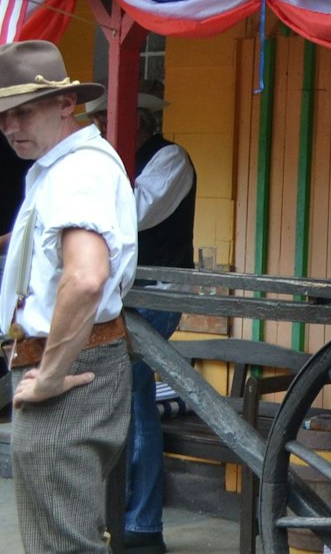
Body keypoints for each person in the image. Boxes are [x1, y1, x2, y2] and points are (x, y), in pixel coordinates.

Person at [0, 40, 137, 552]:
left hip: (69, 369)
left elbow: (85, 277)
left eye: (23, 112)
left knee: (61, 544)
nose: (11, 126)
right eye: (3, 116)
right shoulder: (65, 167)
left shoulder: (78, 171)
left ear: (65, 103)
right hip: (73, 360)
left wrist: (52, 376)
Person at [83, 85, 196, 553]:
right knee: (129, 396)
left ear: (137, 123)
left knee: (129, 394)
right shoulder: (112, 167)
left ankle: (141, 522)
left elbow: (132, 214)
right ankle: (132, 522)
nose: (101, 131)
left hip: (158, 294)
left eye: (107, 123)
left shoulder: (170, 159)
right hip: (125, 297)